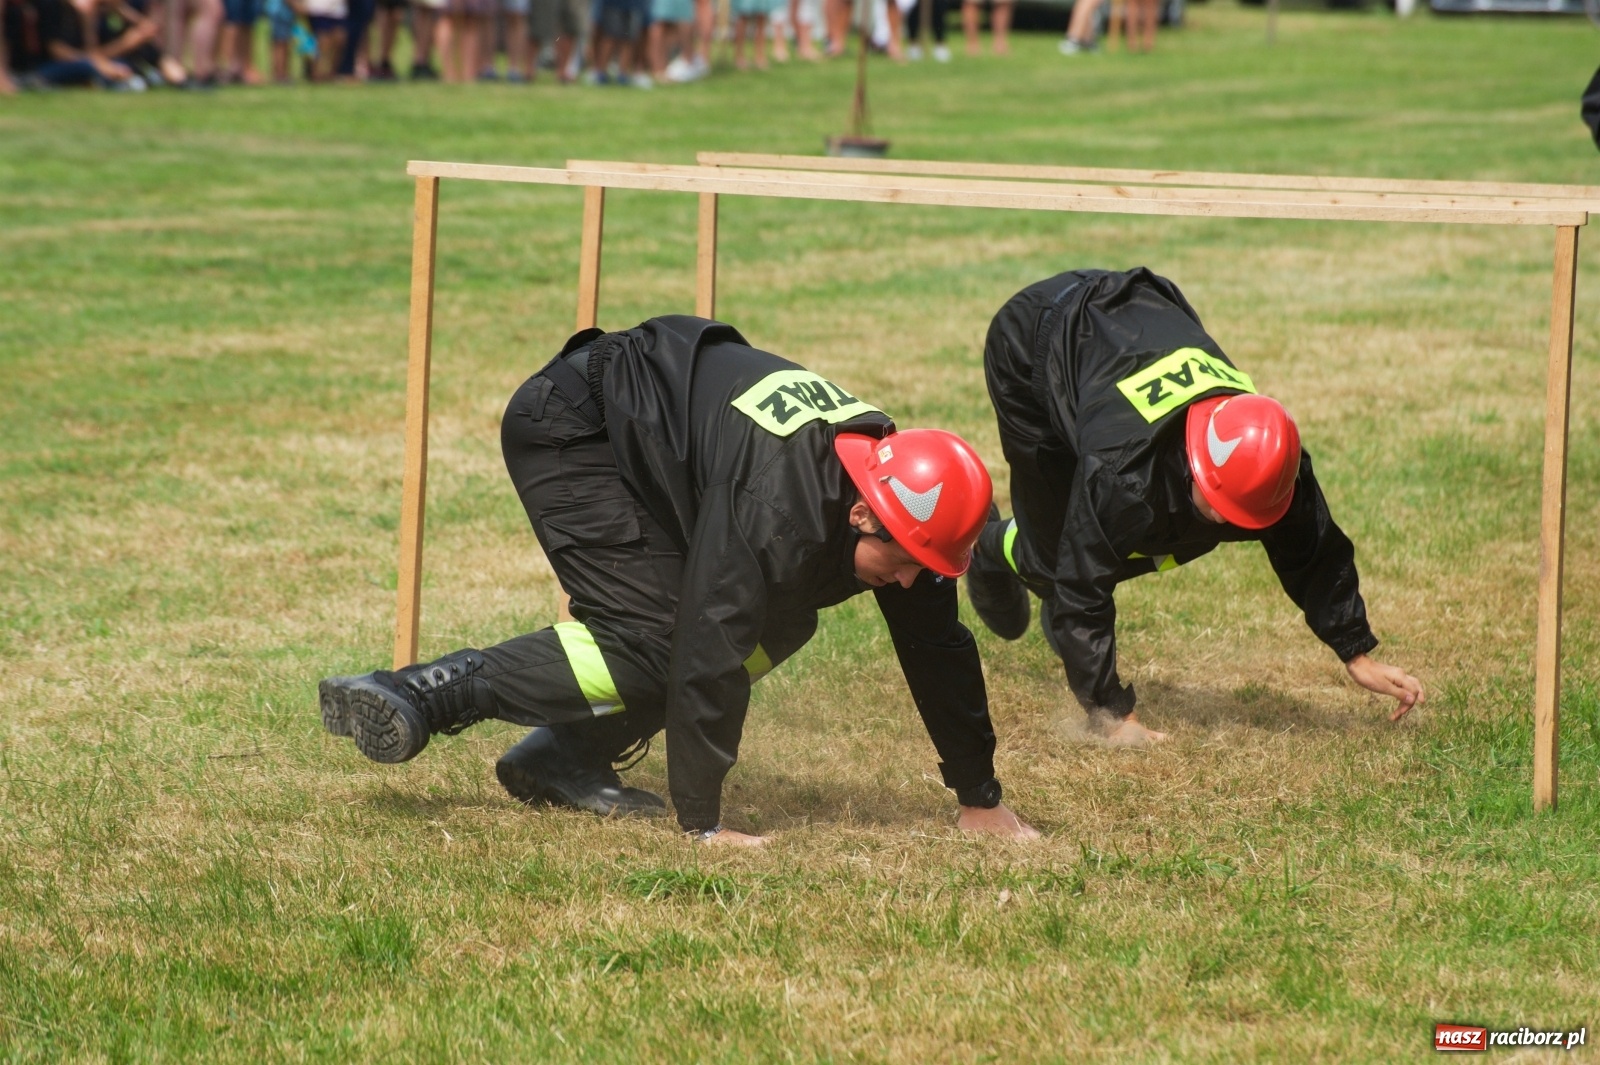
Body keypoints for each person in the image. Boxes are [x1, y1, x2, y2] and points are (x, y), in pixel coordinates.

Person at [319, 316, 1038, 845]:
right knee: (663, 641)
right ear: (860, 512)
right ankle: (422, 691)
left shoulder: (909, 502)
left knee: (783, 617)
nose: (911, 581)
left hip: (657, 439)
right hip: (575, 428)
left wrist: (979, 796)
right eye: (905, 562)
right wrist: (704, 823)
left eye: (929, 566)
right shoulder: (778, 505)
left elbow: (938, 645)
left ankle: (564, 755)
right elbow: (708, 642)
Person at [964, 269, 1425, 748]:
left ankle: (1060, 606)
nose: (1228, 523)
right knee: (1056, 559)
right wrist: (1112, 715)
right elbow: (1082, 583)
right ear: (1194, 457)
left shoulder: (1273, 456)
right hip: (1033, 340)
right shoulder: (1122, 473)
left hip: (1142, 310)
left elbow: (1312, 549)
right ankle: (986, 548)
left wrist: (1355, 651)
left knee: (1155, 533)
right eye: (1223, 504)